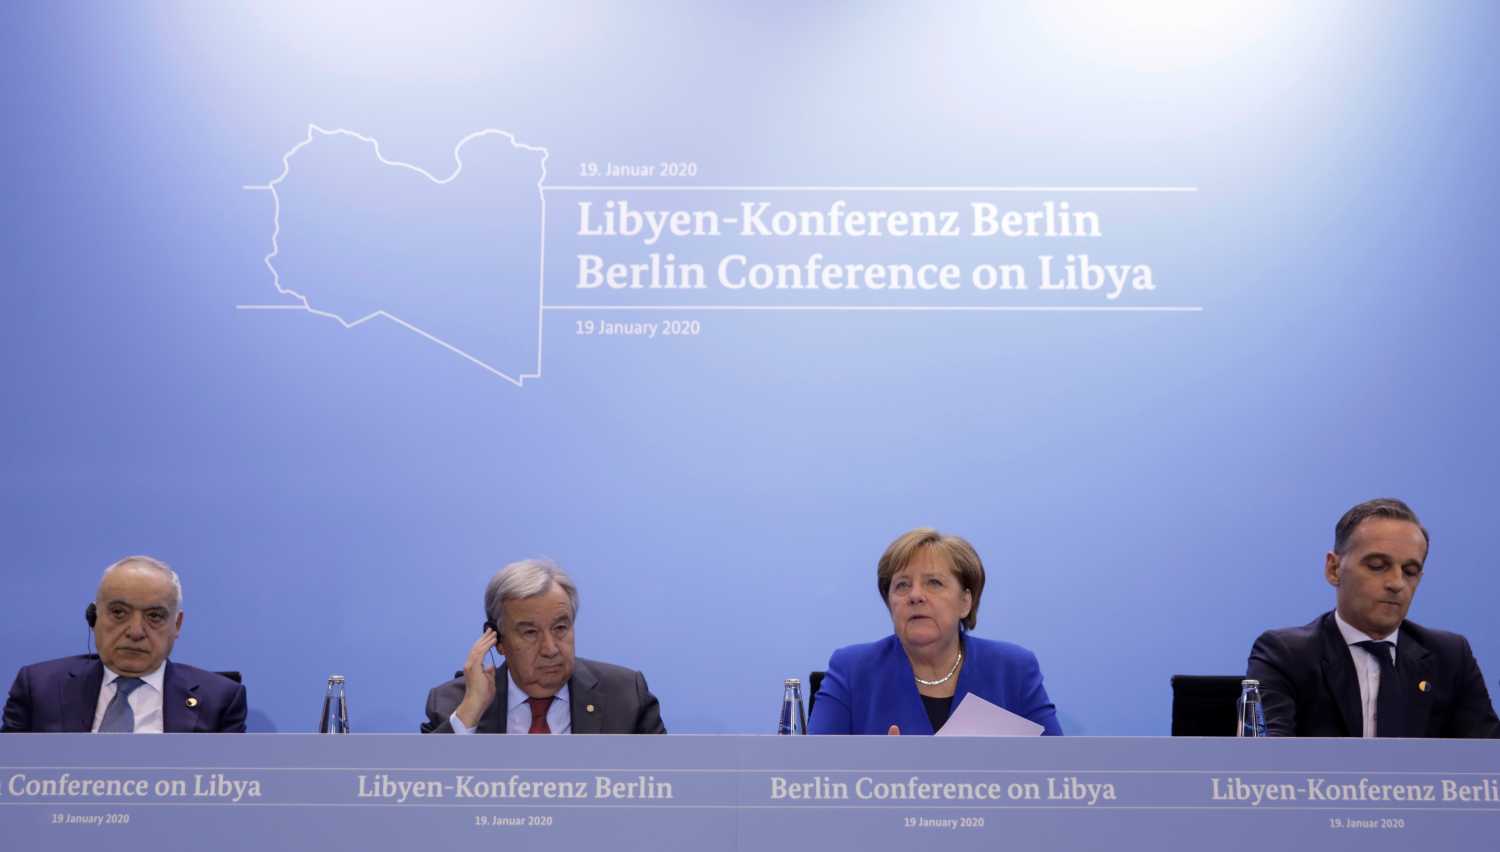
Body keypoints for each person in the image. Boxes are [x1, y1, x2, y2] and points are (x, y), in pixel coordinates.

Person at [1247, 498, 1499, 738]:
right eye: (1377, 566)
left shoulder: (1451, 657)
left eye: (1409, 571)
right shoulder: (1285, 654)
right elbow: (1268, 760)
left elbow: (1488, 762)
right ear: (1334, 569)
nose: (1396, 583)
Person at [809, 528, 1061, 735]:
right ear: (889, 603)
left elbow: (1061, 772)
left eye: (934, 583)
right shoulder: (852, 671)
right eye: (902, 585)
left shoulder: (1013, 670)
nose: (915, 595)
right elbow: (812, 772)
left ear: (965, 602)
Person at [2, 556, 247, 733]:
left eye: (154, 616)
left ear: (177, 625)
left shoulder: (219, 700)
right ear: (94, 617)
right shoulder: (39, 688)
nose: (136, 632)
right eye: (119, 613)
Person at [421, 559, 666, 734]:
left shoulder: (625, 698)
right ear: (498, 641)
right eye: (530, 633)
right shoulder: (451, 704)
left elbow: (666, 791)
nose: (550, 649)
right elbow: (421, 795)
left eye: (560, 628)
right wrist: (469, 714)